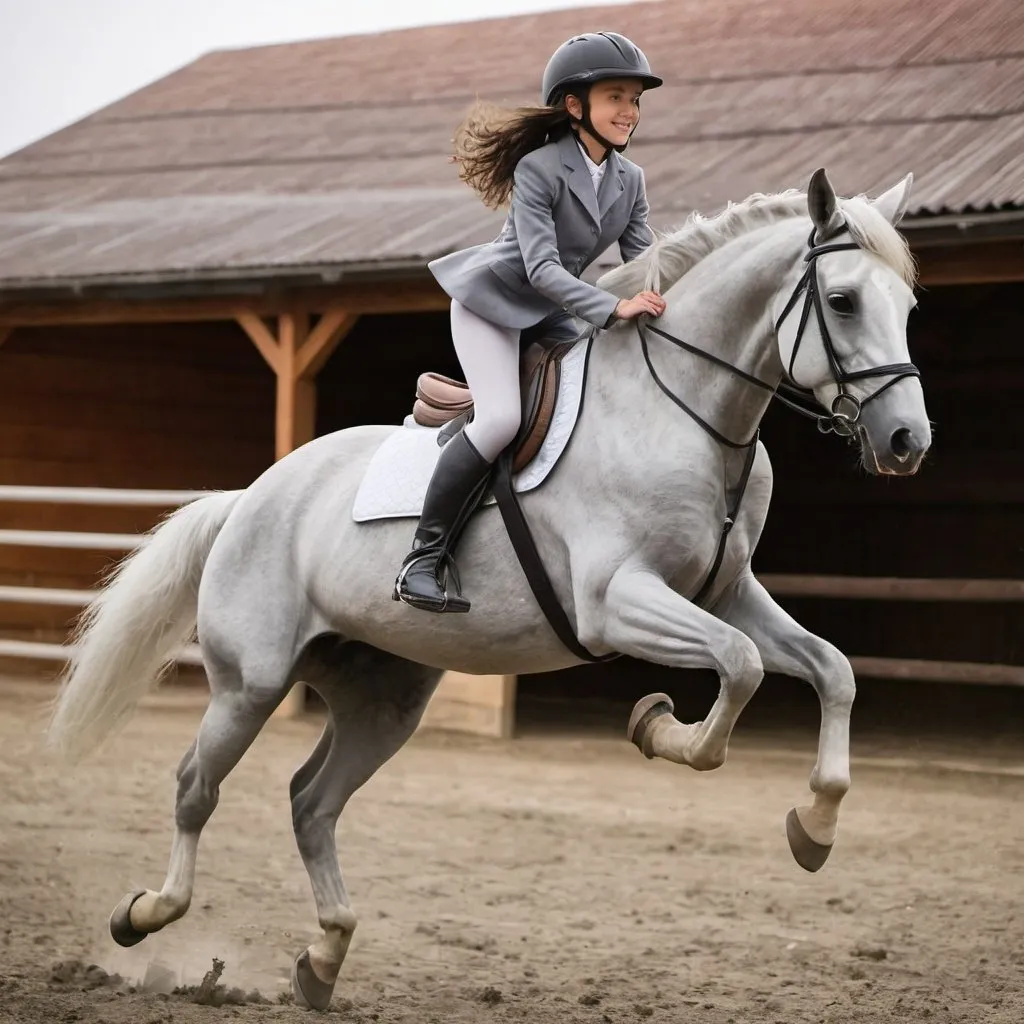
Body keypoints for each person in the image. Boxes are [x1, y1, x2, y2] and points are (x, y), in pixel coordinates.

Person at [393, 31, 667, 614]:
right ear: (575, 106)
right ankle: (422, 558)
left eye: (635, 100)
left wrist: (667, 300)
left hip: (555, 310)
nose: (629, 111)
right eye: (616, 97)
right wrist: (613, 308)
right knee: (500, 420)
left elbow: (645, 263)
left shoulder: (631, 180)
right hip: (493, 302)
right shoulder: (539, 168)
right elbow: (541, 268)